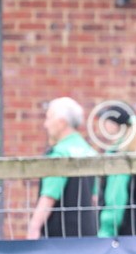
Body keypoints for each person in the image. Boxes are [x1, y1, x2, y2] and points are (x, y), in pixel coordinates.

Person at [26, 97, 98, 239]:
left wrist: (33, 229)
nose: (45, 125)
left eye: (48, 118)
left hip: (60, 240)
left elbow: (49, 196)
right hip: (87, 236)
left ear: (61, 123)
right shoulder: (89, 152)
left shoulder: (59, 155)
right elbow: (94, 198)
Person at [97, 105, 136, 237]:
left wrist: (105, 232)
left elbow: (115, 199)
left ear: (114, 125)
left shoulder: (120, 158)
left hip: (123, 232)